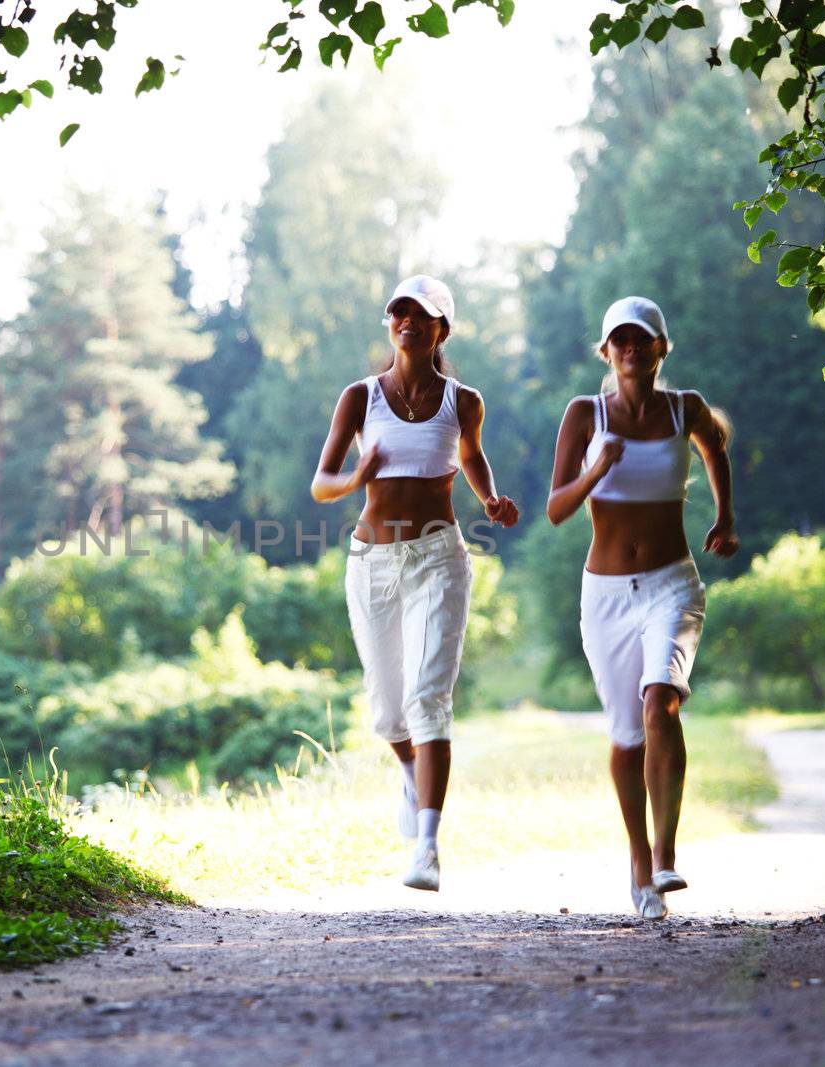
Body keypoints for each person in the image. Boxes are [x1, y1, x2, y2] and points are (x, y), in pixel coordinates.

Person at [312, 274, 519, 891]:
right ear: (392, 325)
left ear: (440, 330)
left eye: (420, 315)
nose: (407, 320)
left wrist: (490, 498)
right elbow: (322, 484)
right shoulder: (359, 397)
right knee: (387, 711)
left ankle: (426, 845)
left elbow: (472, 453)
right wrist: (358, 476)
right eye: (398, 312)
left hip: (437, 558)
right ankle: (410, 775)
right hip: (371, 562)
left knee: (429, 699)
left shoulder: (464, 400)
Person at [546, 296, 738, 920]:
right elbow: (555, 508)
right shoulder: (585, 414)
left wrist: (726, 518)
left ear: (661, 348)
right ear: (606, 351)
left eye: (642, 338)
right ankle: (636, 859)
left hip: (671, 585)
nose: (631, 348)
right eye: (619, 340)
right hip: (604, 596)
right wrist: (596, 466)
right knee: (627, 738)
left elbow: (716, 448)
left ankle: (664, 852)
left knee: (662, 702)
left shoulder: (686, 409)